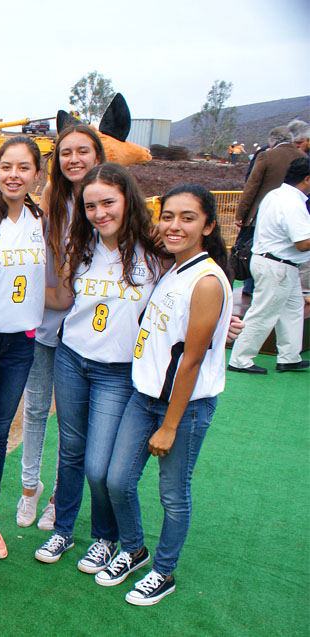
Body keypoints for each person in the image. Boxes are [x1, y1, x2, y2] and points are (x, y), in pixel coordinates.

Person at [102, 184, 234, 606]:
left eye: (188, 217)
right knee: (116, 480)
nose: (174, 225)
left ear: (208, 225)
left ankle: (164, 571)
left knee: (173, 494)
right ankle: (134, 548)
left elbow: (191, 361)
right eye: (169, 216)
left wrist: (171, 426)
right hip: (144, 398)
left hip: (183, 407)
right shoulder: (175, 267)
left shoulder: (207, 281)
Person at [33, 163, 163, 574]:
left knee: (99, 465)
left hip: (118, 370)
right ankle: (65, 529)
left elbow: (187, 292)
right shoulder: (81, 244)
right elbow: (61, 297)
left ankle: (106, 538)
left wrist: (222, 319)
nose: (100, 212)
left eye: (108, 202)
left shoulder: (156, 250)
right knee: (70, 451)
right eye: (90, 206)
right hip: (72, 357)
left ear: (128, 199)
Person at [18, 124, 106, 531]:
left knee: (70, 418)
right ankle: (28, 488)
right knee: (35, 408)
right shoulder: (49, 201)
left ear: (98, 156)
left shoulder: (104, 203)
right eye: (66, 152)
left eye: (82, 151)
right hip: (46, 316)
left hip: (82, 327)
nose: (74, 159)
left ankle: (58, 496)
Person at [0, 136, 47, 560]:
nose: (14, 175)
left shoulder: (43, 220)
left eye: (23, 167)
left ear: (36, 173)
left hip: (21, 343)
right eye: (6, 167)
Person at [228, 157, 310, 374]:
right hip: (279, 265)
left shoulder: (275, 195)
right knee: (263, 313)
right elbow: (302, 243)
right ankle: (240, 359)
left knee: (292, 309)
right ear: (307, 179)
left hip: (277, 263)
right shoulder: (293, 203)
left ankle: (290, 356)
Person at [236, 126, 304, 297]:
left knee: (251, 250)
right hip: (296, 216)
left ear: (271, 141)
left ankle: (249, 289)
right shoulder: (303, 157)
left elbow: (251, 186)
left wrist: (241, 215)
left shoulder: (266, 156)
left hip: (260, 214)